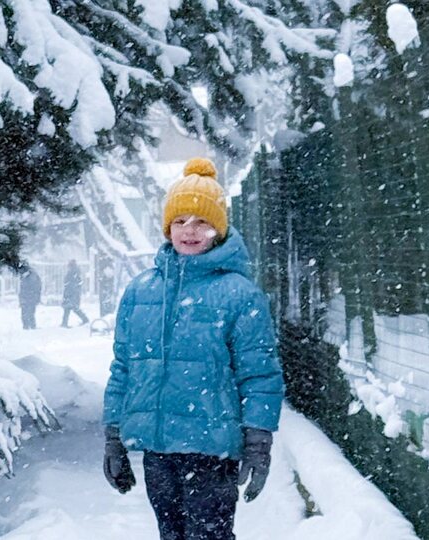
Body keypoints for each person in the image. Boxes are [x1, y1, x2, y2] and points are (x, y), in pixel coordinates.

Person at [101, 157, 284, 540]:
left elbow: (260, 375)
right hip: (159, 450)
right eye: (180, 221)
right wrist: (114, 437)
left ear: (217, 229)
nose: (189, 230)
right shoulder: (141, 291)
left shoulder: (239, 295)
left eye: (201, 221)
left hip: (211, 450)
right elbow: (124, 369)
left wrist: (258, 442)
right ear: (167, 227)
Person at [61, 259, 90, 327]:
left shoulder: (72, 273)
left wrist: (68, 292)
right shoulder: (75, 273)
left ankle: (84, 319)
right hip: (73, 293)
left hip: (71, 293)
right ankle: (84, 319)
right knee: (72, 308)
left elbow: (68, 282)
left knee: (70, 308)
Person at [18, 264, 42, 330]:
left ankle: (28, 326)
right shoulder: (30, 275)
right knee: (29, 312)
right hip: (29, 297)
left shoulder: (30, 276)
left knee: (27, 312)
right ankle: (30, 325)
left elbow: (32, 287)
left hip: (29, 297)